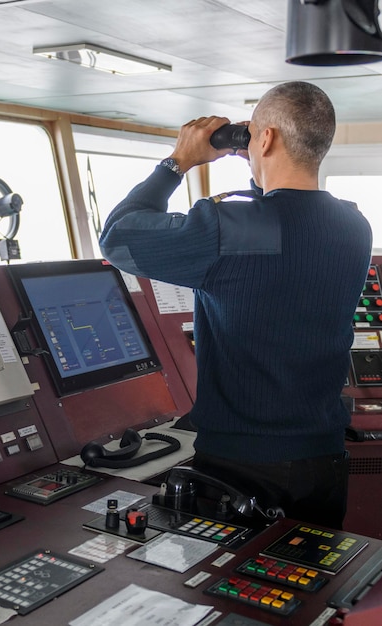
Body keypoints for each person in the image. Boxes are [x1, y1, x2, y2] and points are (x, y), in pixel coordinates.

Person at [100, 81, 372, 529]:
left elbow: (118, 237)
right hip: (323, 463)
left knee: (237, 594)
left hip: (243, 468)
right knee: (309, 591)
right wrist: (261, 168)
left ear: (263, 139)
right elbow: (285, 221)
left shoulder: (230, 226)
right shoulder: (353, 224)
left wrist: (178, 161)